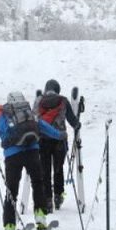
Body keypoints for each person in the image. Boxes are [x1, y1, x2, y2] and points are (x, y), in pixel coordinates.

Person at [0, 91, 58, 230]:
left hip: (13, 156)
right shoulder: (28, 113)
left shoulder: (0, 116)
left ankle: (10, 224)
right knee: (38, 183)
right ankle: (40, 217)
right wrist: (59, 135)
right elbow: (43, 126)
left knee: (12, 190)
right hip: (33, 152)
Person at [36, 79, 81, 210]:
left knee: (45, 170)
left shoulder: (39, 101)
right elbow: (72, 120)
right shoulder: (63, 100)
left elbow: (33, 118)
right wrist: (77, 125)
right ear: (57, 89)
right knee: (58, 168)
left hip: (42, 140)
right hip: (59, 140)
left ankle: (47, 199)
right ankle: (58, 195)